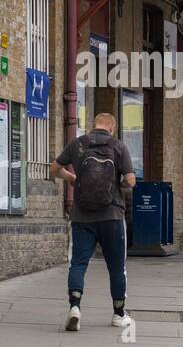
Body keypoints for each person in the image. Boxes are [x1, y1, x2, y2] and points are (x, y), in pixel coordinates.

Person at [51, 113, 136, 332]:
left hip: (81, 215)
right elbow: (129, 180)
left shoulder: (78, 144)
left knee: (78, 263)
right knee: (117, 267)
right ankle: (119, 313)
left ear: (92, 125)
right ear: (113, 127)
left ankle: (75, 308)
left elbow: (54, 169)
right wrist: (119, 185)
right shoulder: (119, 147)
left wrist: (72, 178)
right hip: (112, 217)